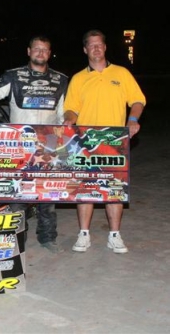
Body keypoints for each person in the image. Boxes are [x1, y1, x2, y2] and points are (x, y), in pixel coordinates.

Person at [0, 35, 69, 254]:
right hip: (18, 146)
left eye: (45, 50)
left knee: (48, 196)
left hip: (48, 146)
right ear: (28, 51)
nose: (40, 53)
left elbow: (64, 113)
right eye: (36, 49)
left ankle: (48, 238)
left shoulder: (62, 79)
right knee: (17, 197)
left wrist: (64, 140)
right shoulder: (13, 76)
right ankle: (17, 239)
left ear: (50, 53)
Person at [63, 29, 146, 254]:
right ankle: (83, 235)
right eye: (91, 45)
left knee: (114, 190)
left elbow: (138, 100)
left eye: (99, 44)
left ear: (105, 47)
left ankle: (115, 236)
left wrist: (132, 120)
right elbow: (71, 108)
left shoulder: (122, 73)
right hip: (85, 142)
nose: (96, 48)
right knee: (85, 189)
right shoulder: (79, 78)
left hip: (114, 141)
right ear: (85, 49)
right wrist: (69, 119)